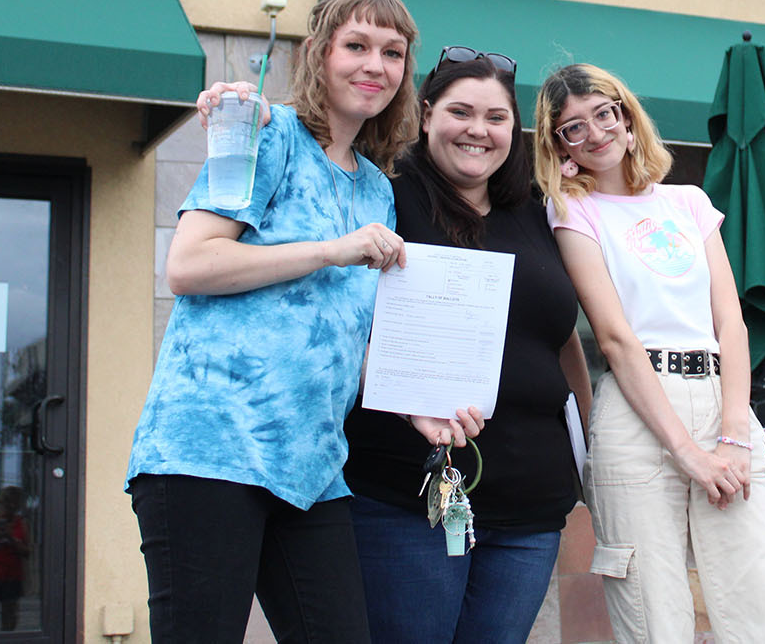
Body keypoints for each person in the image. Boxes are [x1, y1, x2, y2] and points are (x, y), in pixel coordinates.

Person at [127, 0, 478, 644]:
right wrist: (329, 250)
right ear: (318, 53)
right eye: (356, 45)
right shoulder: (263, 134)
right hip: (209, 451)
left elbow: (346, 326)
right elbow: (190, 265)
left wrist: (412, 403)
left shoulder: (377, 187)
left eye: (393, 52)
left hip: (313, 466)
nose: (375, 64)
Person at [211, 46, 591, 642]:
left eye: (495, 118)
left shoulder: (538, 212)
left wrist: (589, 448)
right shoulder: (381, 192)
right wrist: (243, 112)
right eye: (460, 112)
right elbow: (321, 143)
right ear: (426, 111)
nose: (477, 130)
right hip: (404, 500)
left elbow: (566, 342)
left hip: (531, 511)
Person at [535, 63, 765, 643]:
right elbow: (613, 337)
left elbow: (731, 322)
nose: (595, 132)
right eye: (573, 128)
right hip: (637, 416)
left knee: (764, 606)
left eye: (604, 114)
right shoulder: (573, 211)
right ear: (560, 147)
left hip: (720, 399)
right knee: (655, 618)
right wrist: (687, 453)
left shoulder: (688, 202)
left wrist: (734, 429)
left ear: (628, 121)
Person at [0, 485, 30, 630]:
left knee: (10, 613)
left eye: (12, 503)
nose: (7, 507)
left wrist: (11, 538)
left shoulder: (20, 523)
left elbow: (27, 551)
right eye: (4, 502)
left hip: (12, 573)